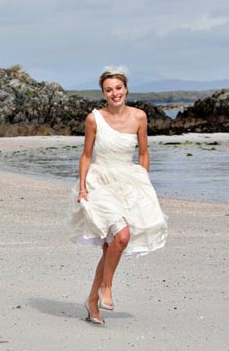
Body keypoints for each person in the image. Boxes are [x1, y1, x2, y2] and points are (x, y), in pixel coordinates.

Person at [67, 66, 168, 325]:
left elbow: (143, 153)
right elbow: (87, 155)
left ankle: (92, 301)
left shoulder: (139, 117)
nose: (114, 93)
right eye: (108, 90)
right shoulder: (94, 119)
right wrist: (82, 188)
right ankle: (106, 288)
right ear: (103, 93)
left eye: (118, 88)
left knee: (111, 246)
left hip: (128, 181)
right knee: (122, 237)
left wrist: (142, 182)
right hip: (99, 182)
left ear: (126, 88)